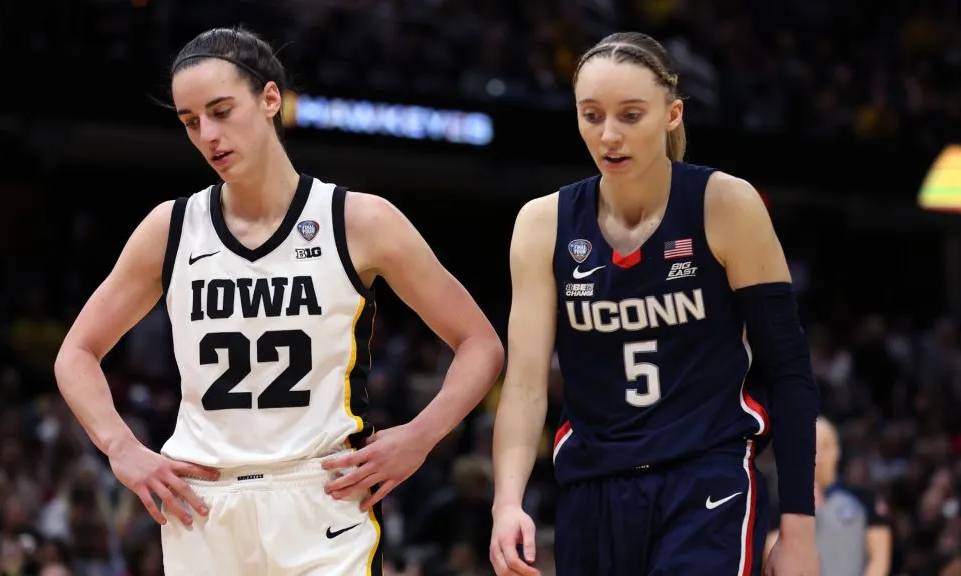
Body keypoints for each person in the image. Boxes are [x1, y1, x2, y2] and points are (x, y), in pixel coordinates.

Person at [54, 26, 504, 575]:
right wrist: (121, 448)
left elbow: (479, 343)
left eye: (221, 111)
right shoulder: (170, 229)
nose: (208, 135)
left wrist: (420, 435)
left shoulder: (359, 220)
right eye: (191, 121)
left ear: (270, 99)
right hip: (203, 504)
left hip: (321, 495)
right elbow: (76, 354)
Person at [489, 31, 821, 576]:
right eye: (591, 116)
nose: (609, 135)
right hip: (593, 486)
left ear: (672, 115)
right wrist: (506, 504)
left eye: (631, 115)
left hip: (706, 477)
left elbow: (788, 370)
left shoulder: (724, 204)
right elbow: (525, 386)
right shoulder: (541, 224)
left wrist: (800, 529)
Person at [763, 417, 893, 575]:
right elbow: (771, 555)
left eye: (825, 445)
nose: (819, 454)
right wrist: (801, 517)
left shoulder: (864, 499)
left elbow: (879, 560)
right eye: (811, 445)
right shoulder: (782, 504)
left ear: (837, 451)